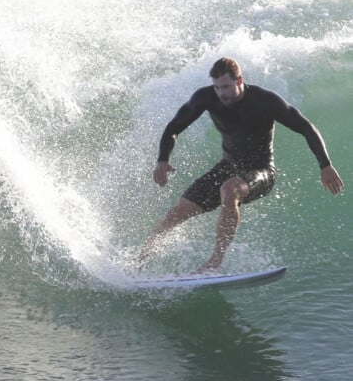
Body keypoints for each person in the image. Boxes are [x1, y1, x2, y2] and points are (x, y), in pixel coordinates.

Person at [139, 57, 344, 273]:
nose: (222, 93)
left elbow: (306, 127)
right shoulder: (205, 98)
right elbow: (174, 127)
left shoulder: (265, 100)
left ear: (239, 81)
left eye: (226, 86)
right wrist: (163, 159)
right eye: (217, 87)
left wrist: (325, 165)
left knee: (229, 189)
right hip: (228, 166)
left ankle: (214, 264)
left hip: (262, 170)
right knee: (179, 211)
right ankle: (139, 264)